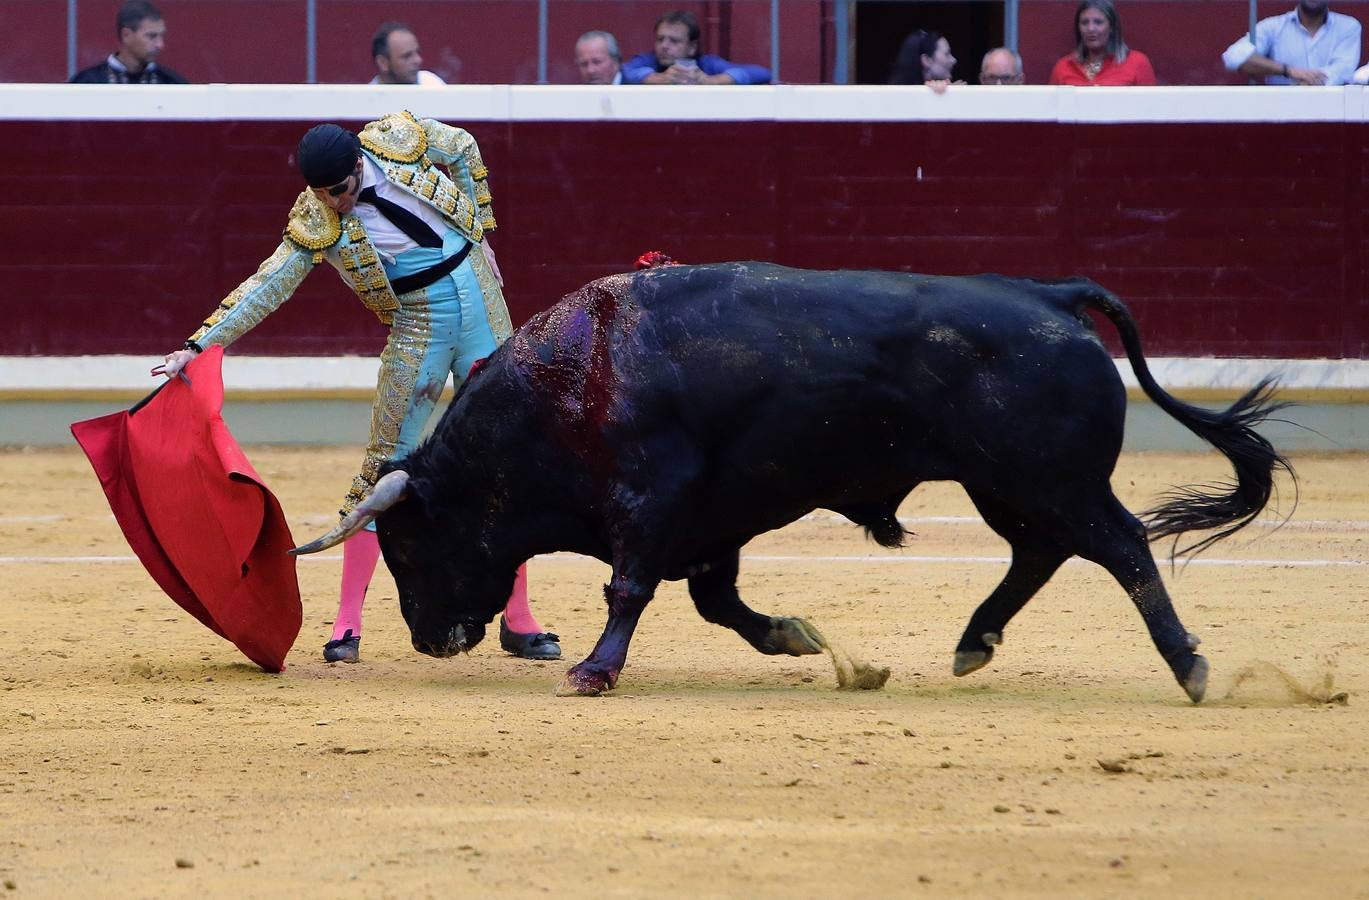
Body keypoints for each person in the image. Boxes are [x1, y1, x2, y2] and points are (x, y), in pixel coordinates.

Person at [156, 112, 560, 664]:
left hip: (483, 301)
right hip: (420, 322)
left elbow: (464, 148)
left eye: (340, 190)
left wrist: (482, 233)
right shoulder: (316, 216)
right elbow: (267, 285)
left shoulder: (399, 139)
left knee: (507, 457)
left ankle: (519, 619)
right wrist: (198, 345)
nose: (334, 203)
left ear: (358, 165)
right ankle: (347, 624)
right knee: (385, 466)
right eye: (321, 194)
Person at [1221, 0, 1361, 85]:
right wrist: (1288, 70)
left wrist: (1307, 84)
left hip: (1331, 114)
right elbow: (1233, 57)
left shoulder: (1348, 26)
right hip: (1281, 111)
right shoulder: (1273, 26)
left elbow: (1343, 70)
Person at [621, 10, 772, 85]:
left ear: (692, 47)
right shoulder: (648, 60)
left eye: (674, 41)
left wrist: (711, 80)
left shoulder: (707, 64)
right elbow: (624, 72)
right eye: (660, 39)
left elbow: (762, 73)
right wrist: (659, 78)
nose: (664, 46)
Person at [69, 0, 187, 84]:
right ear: (126, 35)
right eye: (151, 36)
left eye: (161, 36)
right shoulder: (88, 83)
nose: (160, 45)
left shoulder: (172, 84)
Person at [1048, 0, 1156, 85]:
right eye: (1085, 23)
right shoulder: (1063, 67)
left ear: (1112, 27)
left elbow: (1151, 108)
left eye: (1098, 22)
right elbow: (1050, 111)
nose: (1090, 28)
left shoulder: (1137, 63)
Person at [369, 22, 446, 86]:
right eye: (407, 56)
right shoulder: (366, 100)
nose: (418, 60)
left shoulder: (431, 83)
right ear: (383, 63)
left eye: (417, 52)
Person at [888, 30, 961, 91]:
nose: (954, 60)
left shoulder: (951, 90)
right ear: (926, 60)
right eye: (947, 54)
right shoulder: (896, 96)